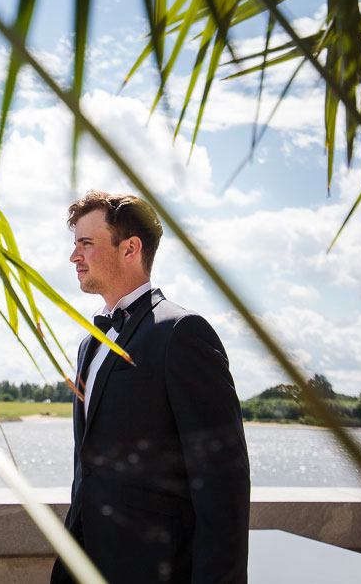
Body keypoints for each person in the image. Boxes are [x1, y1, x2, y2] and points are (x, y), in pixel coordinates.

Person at [51, 191, 249, 583]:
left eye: (86, 244)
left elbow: (223, 487)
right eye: (75, 245)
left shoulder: (182, 334)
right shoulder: (89, 344)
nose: (74, 257)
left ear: (130, 248)